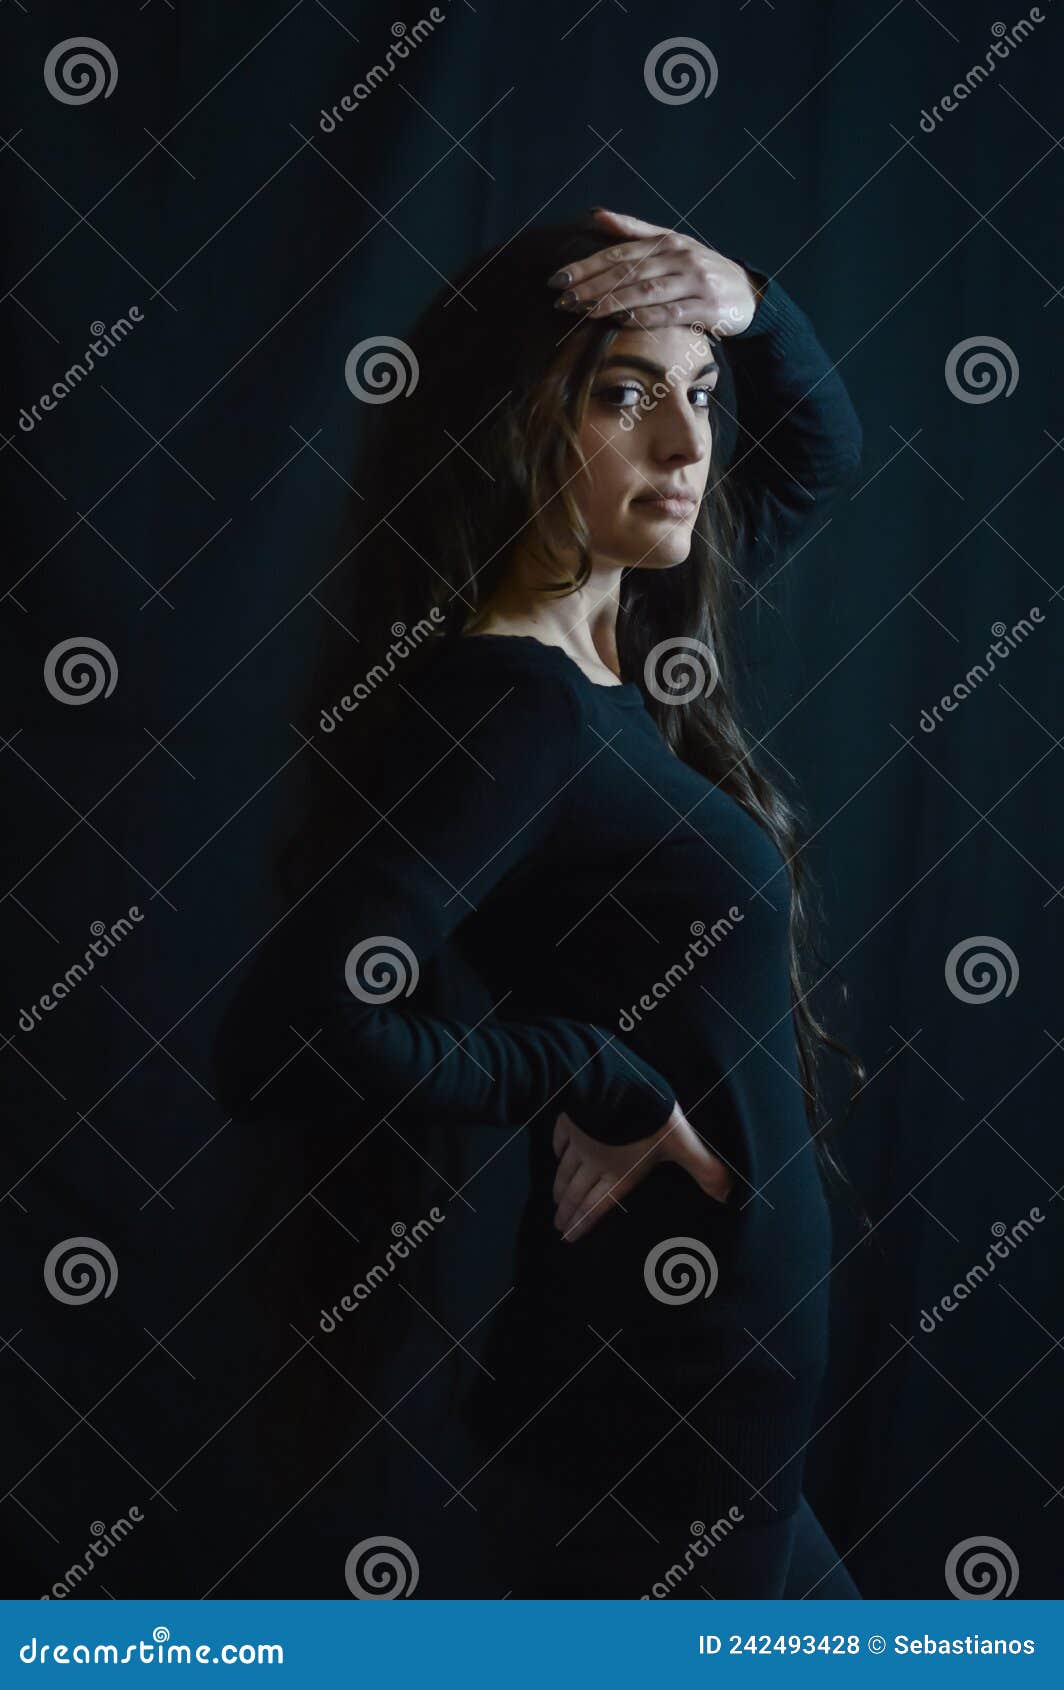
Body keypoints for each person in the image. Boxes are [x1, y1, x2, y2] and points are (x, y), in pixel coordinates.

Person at [212, 209, 866, 1598]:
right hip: (665, 1422)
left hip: (720, 1427)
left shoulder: (625, 655)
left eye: (701, 397)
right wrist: (593, 1073)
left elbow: (822, 449)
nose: (689, 448)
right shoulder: (515, 708)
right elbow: (290, 1027)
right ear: (517, 422)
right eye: (628, 396)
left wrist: (742, 299)